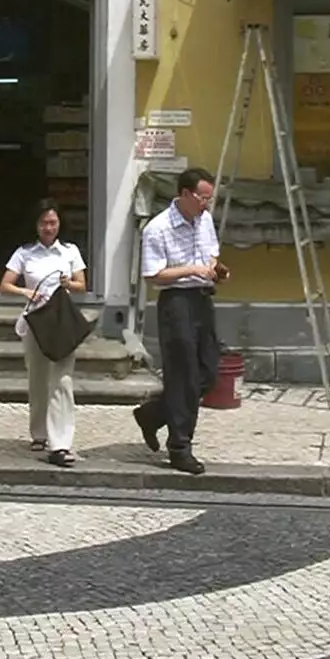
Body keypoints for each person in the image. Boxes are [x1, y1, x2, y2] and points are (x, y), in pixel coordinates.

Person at [133, 166, 227, 476]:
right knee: (183, 374)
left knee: (209, 372)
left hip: (202, 299)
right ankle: (180, 447)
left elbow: (210, 255)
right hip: (176, 303)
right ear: (185, 194)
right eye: (202, 198)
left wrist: (216, 268)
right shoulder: (157, 228)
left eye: (209, 199)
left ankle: (153, 414)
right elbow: (153, 275)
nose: (206, 204)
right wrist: (190, 270)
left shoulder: (204, 221)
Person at [0, 201, 87, 469]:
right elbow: (5, 285)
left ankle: (60, 443)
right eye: (43, 223)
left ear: (59, 223)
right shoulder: (25, 253)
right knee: (38, 378)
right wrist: (27, 292)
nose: (49, 228)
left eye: (53, 222)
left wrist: (67, 283)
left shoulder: (70, 251)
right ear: (36, 225)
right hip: (36, 321)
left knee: (62, 380)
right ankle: (39, 432)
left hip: (60, 321)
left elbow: (82, 286)